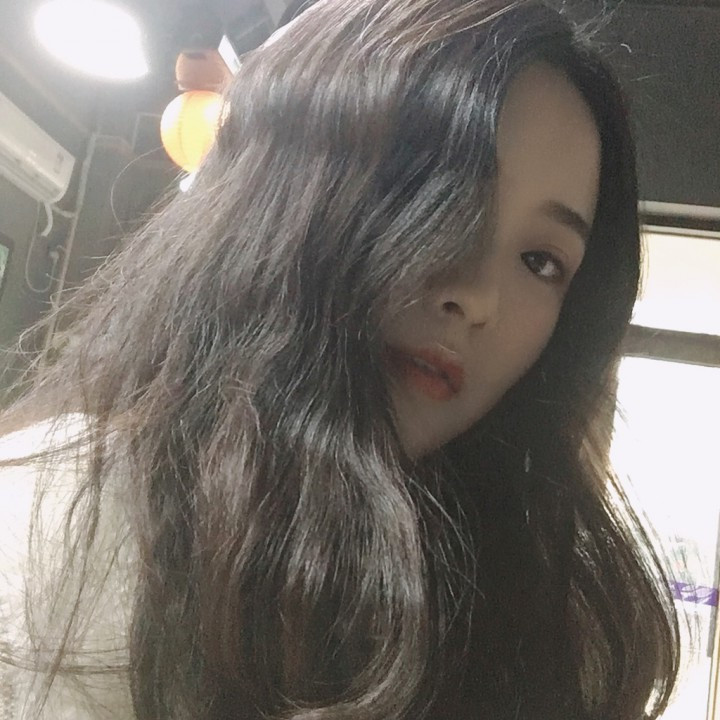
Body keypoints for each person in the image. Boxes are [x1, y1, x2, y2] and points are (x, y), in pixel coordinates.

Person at [0, 0, 680, 718]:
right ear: (284, 185)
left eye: (541, 261)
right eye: (433, 195)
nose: (479, 296)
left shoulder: (544, 623)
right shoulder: (61, 531)